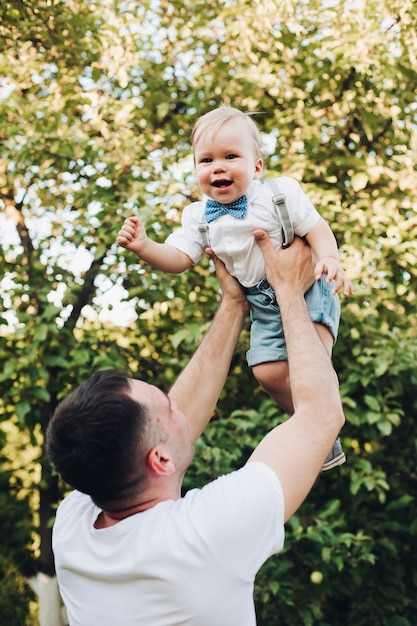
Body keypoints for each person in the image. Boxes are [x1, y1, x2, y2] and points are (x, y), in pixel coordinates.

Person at [47, 235, 345, 626]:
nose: (177, 405)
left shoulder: (75, 525)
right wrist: (288, 290)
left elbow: (159, 430)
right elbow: (320, 415)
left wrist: (234, 304)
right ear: (160, 460)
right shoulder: (205, 534)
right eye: (168, 406)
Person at [116, 106, 353, 471]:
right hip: (261, 301)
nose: (218, 167)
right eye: (206, 160)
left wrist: (330, 259)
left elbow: (317, 227)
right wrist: (145, 247)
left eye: (231, 156)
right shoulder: (198, 217)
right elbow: (179, 258)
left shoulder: (280, 193)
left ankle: (319, 422)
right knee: (267, 372)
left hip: (307, 288)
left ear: (256, 167)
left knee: (312, 365)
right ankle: (325, 433)